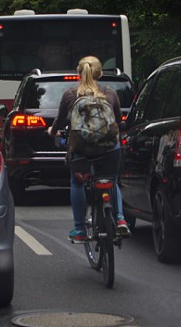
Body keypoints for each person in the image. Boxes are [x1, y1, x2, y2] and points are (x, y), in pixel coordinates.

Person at [47, 56, 131, 242]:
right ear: (100, 74)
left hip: (81, 150)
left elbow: (59, 121)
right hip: (110, 149)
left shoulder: (70, 95)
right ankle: (120, 219)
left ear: (79, 73)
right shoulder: (110, 94)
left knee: (77, 183)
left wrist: (52, 132)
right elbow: (117, 122)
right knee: (112, 180)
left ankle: (80, 230)